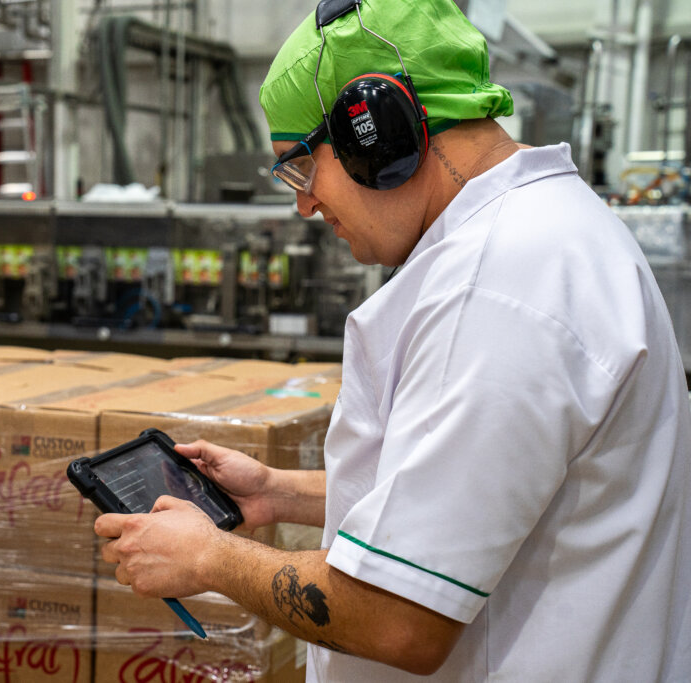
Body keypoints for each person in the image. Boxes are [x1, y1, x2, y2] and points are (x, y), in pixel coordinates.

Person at [94, 0, 691, 679]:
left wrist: (209, 557)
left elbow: (399, 617)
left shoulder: (496, 287)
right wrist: (281, 493)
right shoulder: (550, 232)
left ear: (374, 131)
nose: (304, 205)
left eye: (298, 166)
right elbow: (487, 494)